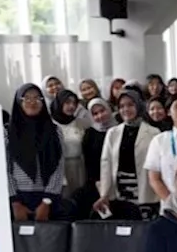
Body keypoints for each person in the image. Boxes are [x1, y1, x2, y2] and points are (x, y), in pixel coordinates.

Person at [6, 84, 66, 222]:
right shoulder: (7, 132)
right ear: (18, 102)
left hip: (48, 198)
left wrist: (47, 202)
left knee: (48, 240)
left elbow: (59, 167)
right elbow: (4, 170)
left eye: (37, 98)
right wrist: (15, 202)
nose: (32, 102)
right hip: (18, 198)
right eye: (26, 98)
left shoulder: (54, 130)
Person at [95, 92, 158, 220]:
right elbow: (106, 164)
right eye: (122, 106)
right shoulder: (113, 133)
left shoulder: (153, 132)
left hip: (145, 189)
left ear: (139, 106)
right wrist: (104, 194)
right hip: (120, 191)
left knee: (144, 230)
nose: (126, 109)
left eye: (130, 105)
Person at [75, 97, 115, 218]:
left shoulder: (118, 130)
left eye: (102, 111)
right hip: (97, 182)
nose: (100, 116)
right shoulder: (90, 134)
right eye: (95, 114)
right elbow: (89, 162)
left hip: (118, 181)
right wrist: (99, 184)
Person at [50, 88, 91, 198]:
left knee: (79, 197)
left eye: (74, 103)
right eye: (67, 102)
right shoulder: (50, 124)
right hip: (60, 168)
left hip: (79, 167)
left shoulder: (79, 123)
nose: (71, 106)